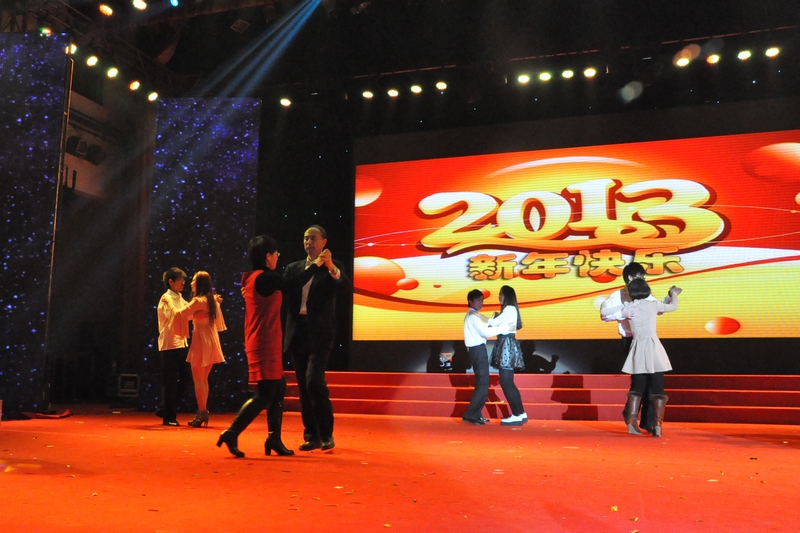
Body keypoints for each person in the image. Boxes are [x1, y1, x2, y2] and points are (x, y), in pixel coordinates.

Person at [217, 235, 322, 458]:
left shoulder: (254, 278)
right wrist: (317, 265)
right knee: (265, 393)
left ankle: (274, 438)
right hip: (264, 341)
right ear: (268, 256)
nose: (277, 257)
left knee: (279, 388)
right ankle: (232, 432)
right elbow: (293, 284)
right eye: (276, 254)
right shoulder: (266, 278)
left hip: (264, 339)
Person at [282, 225, 350, 451]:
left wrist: (330, 266)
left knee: (314, 381)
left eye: (313, 239)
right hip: (297, 332)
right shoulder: (293, 268)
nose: (308, 243)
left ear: (324, 242)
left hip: (320, 333)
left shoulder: (333, 267)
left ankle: (326, 433)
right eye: (305, 239)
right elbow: (283, 290)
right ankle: (311, 435)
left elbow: (345, 287)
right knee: (303, 386)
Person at [600, 262, 678, 433]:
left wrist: (668, 297)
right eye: (640, 276)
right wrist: (622, 313)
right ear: (630, 277)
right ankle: (632, 416)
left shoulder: (644, 294)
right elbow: (604, 315)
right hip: (631, 341)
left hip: (648, 341)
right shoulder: (618, 295)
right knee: (639, 380)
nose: (643, 279)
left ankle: (649, 422)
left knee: (653, 381)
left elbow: (658, 308)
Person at [175, 271, 227, 428]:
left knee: (199, 379)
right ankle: (202, 411)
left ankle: (202, 412)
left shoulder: (198, 300)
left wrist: (170, 305)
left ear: (199, 284)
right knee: (203, 379)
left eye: (193, 280)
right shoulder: (211, 300)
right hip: (210, 339)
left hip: (201, 341)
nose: (191, 283)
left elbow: (181, 313)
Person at [462, 289, 510, 425]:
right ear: (470, 301)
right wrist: (503, 328)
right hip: (477, 350)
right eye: (478, 300)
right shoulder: (473, 316)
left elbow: (484, 329)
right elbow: (485, 332)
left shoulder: (474, 315)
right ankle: (471, 414)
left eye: (482, 300)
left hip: (477, 350)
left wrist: (492, 323)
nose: (481, 302)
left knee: (482, 383)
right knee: (483, 383)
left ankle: (475, 414)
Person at [156, 267, 191, 426]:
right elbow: (175, 315)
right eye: (180, 279)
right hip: (169, 344)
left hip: (181, 342)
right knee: (170, 382)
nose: (184, 282)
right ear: (171, 282)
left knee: (186, 378)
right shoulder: (166, 298)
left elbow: (189, 314)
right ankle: (169, 417)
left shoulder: (180, 297)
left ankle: (164, 408)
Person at [487, 285, 527, 426]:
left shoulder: (509, 308)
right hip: (506, 344)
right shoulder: (510, 309)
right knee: (508, 382)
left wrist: (486, 317)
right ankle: (520, 413)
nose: (499, 297)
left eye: (501, 294)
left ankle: (516, 414)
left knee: (506, 382)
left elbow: (494, 323)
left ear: (506, 295)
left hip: (506, 345)